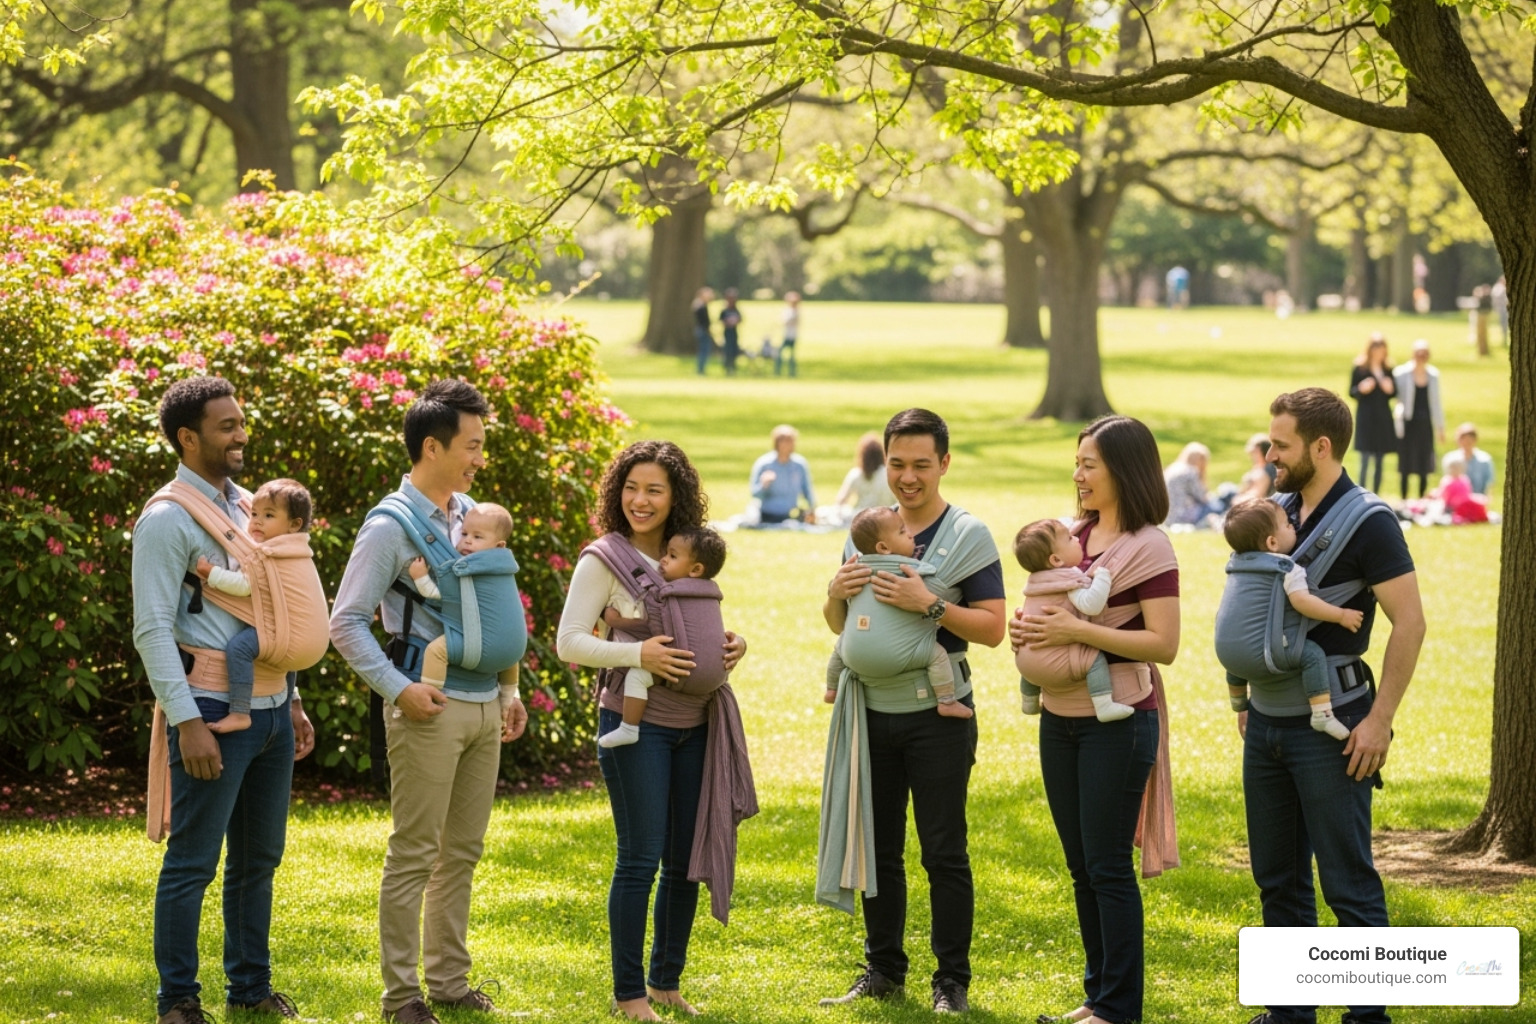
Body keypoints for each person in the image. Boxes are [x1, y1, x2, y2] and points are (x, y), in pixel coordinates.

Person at [329, 380, 529, 1024]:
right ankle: (401, 998)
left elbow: (495, 610)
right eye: (472, 446)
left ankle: (448, 981)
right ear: (433, 446)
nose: (480, 458)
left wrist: (509, 690)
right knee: (416, 851)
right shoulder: (390, 526)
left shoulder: (472, 514)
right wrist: (399, 688)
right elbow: (346, 622)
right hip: (427, 705)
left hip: (484, 707)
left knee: (463, 852)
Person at [132, 376, 316, 1024]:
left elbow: (275, 605)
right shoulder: (166, 519)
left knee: (259, 859)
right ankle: (177, 1000)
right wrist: (187, 722)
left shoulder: (251, 508)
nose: (242, 435)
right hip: (211, 708)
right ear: (188, 438)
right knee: (192, 863)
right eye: (227, 426)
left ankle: (251, 988)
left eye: (242, 422)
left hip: (269, 709)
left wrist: (292, 697)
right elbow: (152, 628)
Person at [1241, 388, 1423, 1024]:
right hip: (1265, 720)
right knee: (1278, 879)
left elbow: (1411, 623)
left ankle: (1367, 1016)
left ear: (1321, 446)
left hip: (1334, 725)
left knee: (1347, 881)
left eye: (1281, 444)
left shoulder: (1370, 520)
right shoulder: (1279, 510)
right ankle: (1289, 1013)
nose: (1269, 454)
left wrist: (1379, 721)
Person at [556, 440, 752, 1021]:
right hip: (634, 724)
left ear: (676, 498)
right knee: (640, 858)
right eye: (632, 488)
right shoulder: (603, 559)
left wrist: (731, 644)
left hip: (698, 725)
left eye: (655, 490)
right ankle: (629, 993)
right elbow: (570, 641)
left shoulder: (684, 553)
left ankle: (666, 981)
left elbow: (694, 619)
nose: (640, 500)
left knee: (683, 858)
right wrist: (638, 653)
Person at [820, 408, 1005, 1015]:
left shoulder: (968, 535)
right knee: (878, 848)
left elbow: (994, 628)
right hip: (869, 714)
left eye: (921, 465)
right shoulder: (867, 530)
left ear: (944, 464)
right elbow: (841, 626)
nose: (907, 477)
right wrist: (834, 596)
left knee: (943, 849)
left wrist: (930, 604)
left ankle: (951, 980)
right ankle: (883, 969)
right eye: (898, 464)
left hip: (937, 716)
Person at [1011, 415, 1180, 1024]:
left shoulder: (1148, 546)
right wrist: (1026, 632)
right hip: (1059, 719)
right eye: (1077, 462)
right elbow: (1048, 608)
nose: (1078, 474)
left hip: (1120, 720)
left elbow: (1164, 643)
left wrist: (1074, 630)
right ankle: (1097, 998)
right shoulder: (1068, 538)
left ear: (1123, 471)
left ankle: (1118, 1008)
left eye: (1090, 464)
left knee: (1107, 864)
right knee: (1081, 865)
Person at [1220, 500, 1363, 740]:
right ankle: (1322, 714)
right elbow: (1303, 603)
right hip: (1264, 653)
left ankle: (1239, 704)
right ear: (1272, 543)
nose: (1293, 527)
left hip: (1228, 654)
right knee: (1312, 654)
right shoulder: (1286, 569)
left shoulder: (1236, 566)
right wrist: (1340, 615)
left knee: (1238, 661)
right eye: (1287, 524)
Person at [823, 506, 972, 719]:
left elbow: (839, 623)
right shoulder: (911, 567)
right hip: (902, 655)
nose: (911, 534)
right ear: (883, 547)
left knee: (840, 648)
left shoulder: (855, 568)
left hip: (854, 655)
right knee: (938, 656)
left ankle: (831, 689)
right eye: (903, 532)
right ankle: (947, 701)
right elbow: (932, 574)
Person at [191, 478, 314, 735]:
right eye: (254, 513)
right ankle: (289, 695)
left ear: (294, 525)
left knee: (239, 647)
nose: (256, 521)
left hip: (281, 631)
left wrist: (210, 572)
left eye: (268, 515)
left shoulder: (271, 554)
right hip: (297, 636)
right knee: (283, 664)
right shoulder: (298, 549)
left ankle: (239, 712)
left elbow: (246, 586)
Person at [598, 526, 730, 747]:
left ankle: (629, 728)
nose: (663, 560)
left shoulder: (668, 595)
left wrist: (614, 621)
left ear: (696, 569)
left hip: (682, 670)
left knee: (637, 676)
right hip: (715, 677)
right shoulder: (711, 593)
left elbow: (652, 628)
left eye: (672, 556)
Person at [1011, 518, 1128, 723]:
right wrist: (1102, 578)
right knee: (1094, 659)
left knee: (1033, 663)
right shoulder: (1066, 580)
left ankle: (1029, 702)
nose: (1076, 538)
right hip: (1054, 664)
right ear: (1056, 560)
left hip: (1025, 664)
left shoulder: (1037, 581)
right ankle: (1104, 705)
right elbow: (1091, 605)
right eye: (1069, 538)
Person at [405, 501, 515, 687]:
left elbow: (438, 594)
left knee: (435, 652)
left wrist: (421, 577)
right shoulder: (504, 568)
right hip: (502, 638)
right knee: (511, 653)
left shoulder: (470, 571)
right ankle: (507, 698)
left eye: (477, 537)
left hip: (477, 638)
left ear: (499, 546)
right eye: (464, 534)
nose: (467, 540)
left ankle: (432, 694)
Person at [1391, 339, 1444, 500]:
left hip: (1425, 423)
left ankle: (1421, 497)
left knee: (1424, 460)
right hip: (1408, 423)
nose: (1422, 357)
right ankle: (1404, 497)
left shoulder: (1433, 375)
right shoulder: (1401, 373)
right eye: (1419, 353)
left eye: (1425, 354)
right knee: (1406, 461)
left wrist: (1440, 427)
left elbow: (1436, 402)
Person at [1348, 333, 1396, 494]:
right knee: (1365, 458)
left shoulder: (1388, 370)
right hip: (1366, 418)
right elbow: (1352, 392)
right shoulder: (1360, 369)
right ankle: (1361, 492)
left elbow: (1393, 393)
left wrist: (1389, 388)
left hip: (1382, 418)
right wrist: (1362, 389)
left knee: (1379, 459)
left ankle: (1376, 493)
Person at [749, 424, 816, 524]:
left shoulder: (799, 465)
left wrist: (812, 509)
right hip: (768, 515)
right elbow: (755, 494)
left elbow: (807, 491)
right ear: (776, 443)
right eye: (784, 440)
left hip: (791, 514)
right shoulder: (765, 464)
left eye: (791, 440)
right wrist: (764, 485)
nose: (788, 444)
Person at [832, 431, 895, 515]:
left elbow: (841, 501)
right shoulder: (888, 474)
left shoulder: (855, 474)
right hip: (884, 515)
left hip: (860, 516)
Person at [1162, 441, 1221, 528]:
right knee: (1218, 506)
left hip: (1168, 516)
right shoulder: (1190, 471)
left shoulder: (1173, 468)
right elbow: (1202, 497)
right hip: (1182, 515)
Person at [1232, 433, 1276, 506]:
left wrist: (1237, 500)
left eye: (1253, 453)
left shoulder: (1265, 472)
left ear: (1259, 451)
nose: (1251, 456)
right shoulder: (1259, 467)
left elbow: (1257, 495)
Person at [1453, 422, 1495, 496]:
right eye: (1463, 439)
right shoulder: (1451, 459)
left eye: (1469, 440)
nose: (1466, 443)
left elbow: (1489, 485)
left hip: (1478, 499)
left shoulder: (1484, 460)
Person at [776, 290, 801, 377]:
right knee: (783, 354)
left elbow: (786, 321)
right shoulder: (789, 310)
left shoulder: (795, 312)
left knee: (789, 354)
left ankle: (790, 372)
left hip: (791, 335)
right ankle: (780, 371)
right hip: (786, 334)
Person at [692, 287, 715, 376]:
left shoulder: (699, 305)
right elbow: (704, 321)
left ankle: (701, 369)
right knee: (704, 350)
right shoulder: (700, 306)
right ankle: (700, 370)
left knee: (704, 350)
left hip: (702, 330)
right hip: (703, 330)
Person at [719, 288, 742, 376]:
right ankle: (727, 367)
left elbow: (740, 319)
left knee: (734, 350)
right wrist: (727, 322)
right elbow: (721, 321)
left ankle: (733, 367)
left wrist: (735, 321)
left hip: (734, 332)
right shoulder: (724, 311)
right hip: (727, 333)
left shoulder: (736, 310)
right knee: (727, 350)